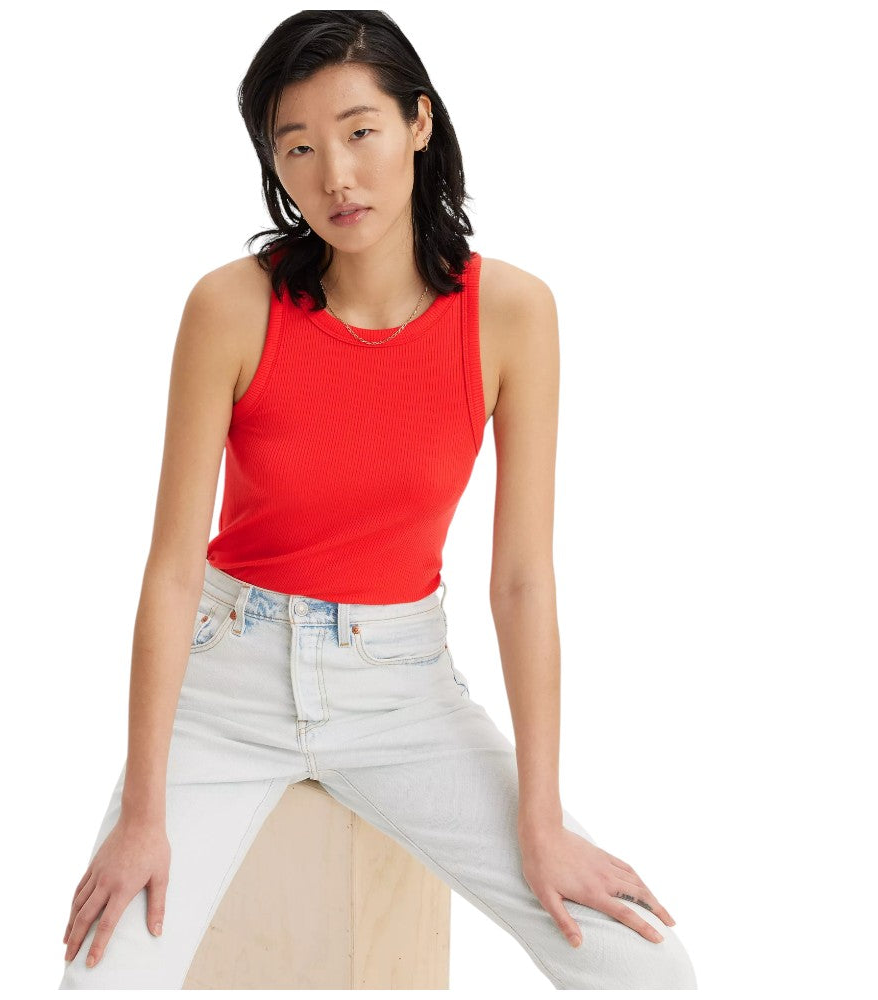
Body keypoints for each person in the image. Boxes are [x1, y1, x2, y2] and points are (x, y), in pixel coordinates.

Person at [58, 10, 697, 990]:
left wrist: (541, 816)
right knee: (105, 978)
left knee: (642, 965)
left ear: (419, 123)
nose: (336, 177)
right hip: (225, 688)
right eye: (298, 148)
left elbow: (522, 580)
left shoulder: (511, 313)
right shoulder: (231, 306)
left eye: (360, 131)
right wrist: (144, 812)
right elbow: (173, 569)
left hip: (403, 691)